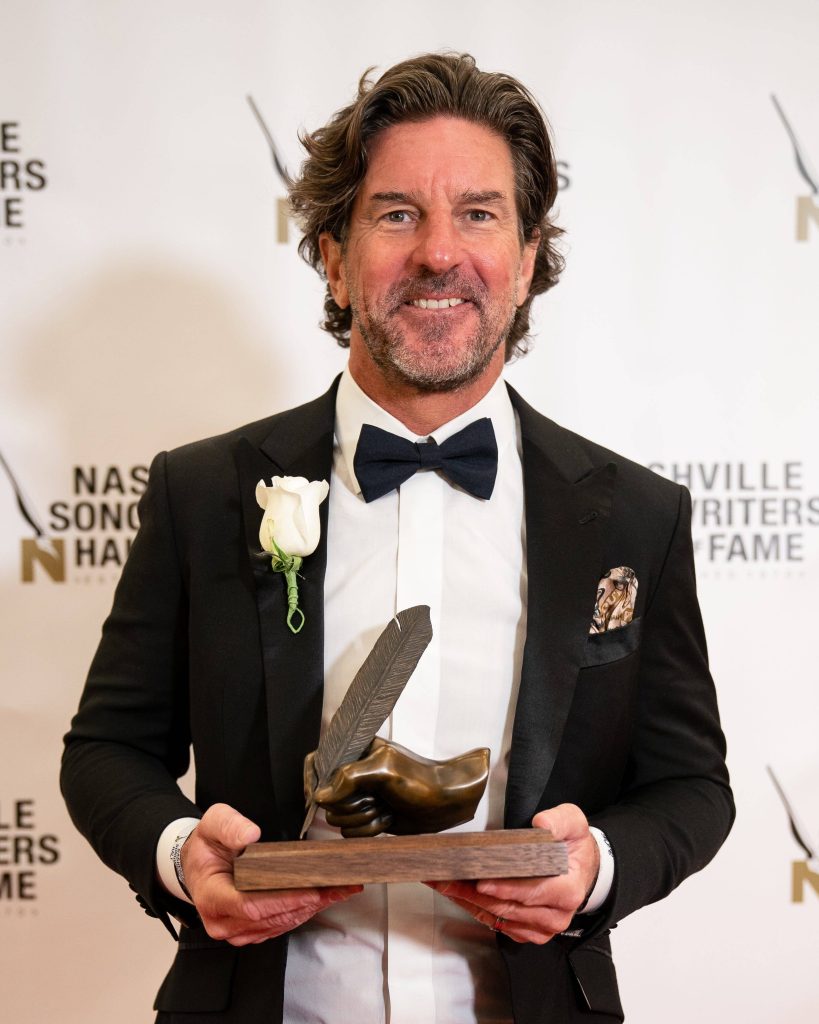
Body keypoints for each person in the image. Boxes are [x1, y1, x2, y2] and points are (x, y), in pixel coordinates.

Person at [61, 53, 734, 1024]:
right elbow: (108, 750)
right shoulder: (203, 492)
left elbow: (690, 786)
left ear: (528, 258)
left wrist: (596, 867)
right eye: (396, 214)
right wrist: (179, 854)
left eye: (479, 213)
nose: (438, 253)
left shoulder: (635, 514)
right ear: (334, 257)